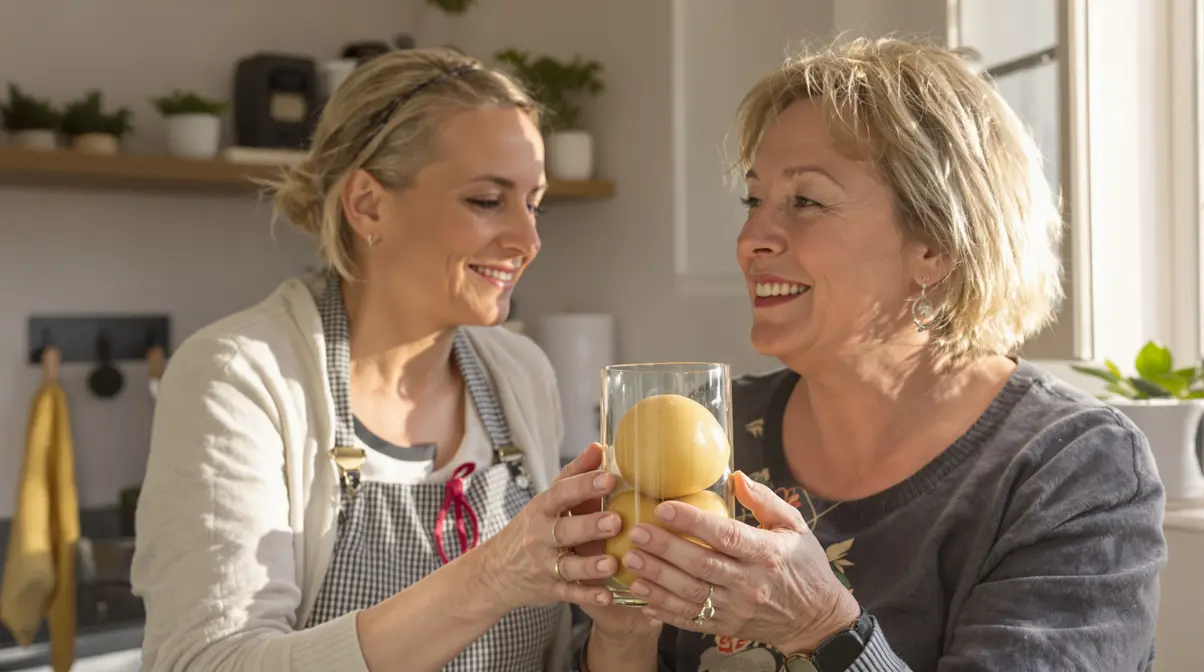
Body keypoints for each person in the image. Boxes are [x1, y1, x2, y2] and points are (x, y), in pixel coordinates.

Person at [578, 37, 1167, 672]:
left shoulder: (1072, 468)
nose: (750, 239)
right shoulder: (713, 430)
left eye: (805, 200)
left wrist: (823, 627)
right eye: (754, 201)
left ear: (936, 245)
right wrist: (622, 634)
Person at [130, 48, 632, 672]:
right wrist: (491, 576)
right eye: (486, 201)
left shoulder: (520, 373)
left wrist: (623, 632)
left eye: (534, 203)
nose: (528, 241)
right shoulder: (238, 376)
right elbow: (206, 663)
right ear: (368, 204)